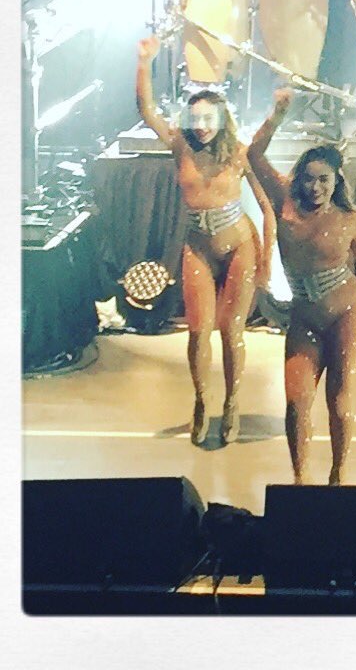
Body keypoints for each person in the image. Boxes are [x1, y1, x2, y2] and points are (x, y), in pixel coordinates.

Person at [247, 88, 356, 484]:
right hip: (305, 318)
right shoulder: (284, 201)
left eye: (324, 180)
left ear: (336, 182)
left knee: (340, 396)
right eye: (309, 179)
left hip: (349, 314)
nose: (315, 188)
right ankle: (300, 480)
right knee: (296, 401)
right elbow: (253, 154)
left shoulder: (350, 221)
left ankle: (338, 474)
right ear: (298, 179)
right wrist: (277, 115)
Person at [135, 35, 275, 446]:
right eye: (195, 118)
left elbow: (267, 209)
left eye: (209, 119)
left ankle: (232, 403)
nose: (202, 126)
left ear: (222, 119)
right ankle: (201, 401)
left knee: (231, 331)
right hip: (198, 246)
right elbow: (146, 110)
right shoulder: (180, 146)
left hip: (239, 246)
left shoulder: (239, 153)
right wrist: (144, 62)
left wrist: (267, 260)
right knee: (198, 331)